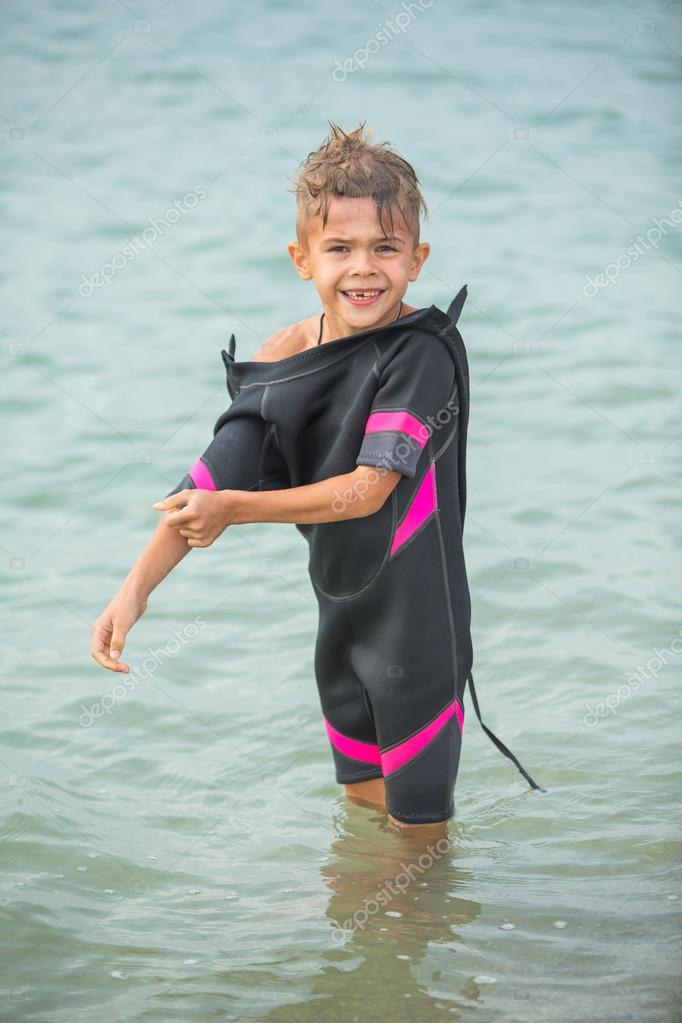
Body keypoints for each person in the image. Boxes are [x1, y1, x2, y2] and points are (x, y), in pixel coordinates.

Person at [91, 122, 543, 831]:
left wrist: (238, 511)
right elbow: (206, 488)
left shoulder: (421, 354)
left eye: (385, 248)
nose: (364, 268)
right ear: (303, 259)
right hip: (340, 631)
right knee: (362, 827)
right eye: (340, 248)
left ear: (416, 259)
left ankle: (422, 931)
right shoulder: (283, 355)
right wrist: (133, 591)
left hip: (421, 634)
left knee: (419, 839)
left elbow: (370, 488)